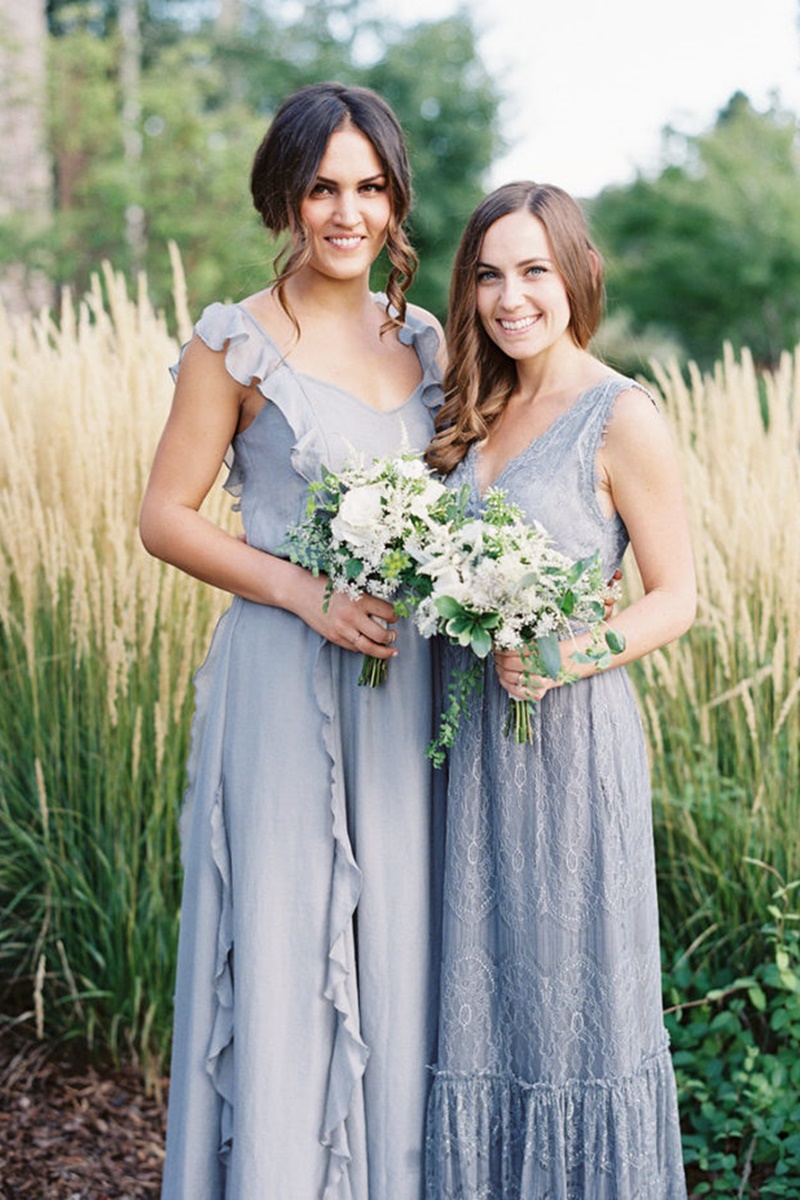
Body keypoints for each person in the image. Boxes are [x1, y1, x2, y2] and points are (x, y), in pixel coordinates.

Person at [139, 82, 446, 1200]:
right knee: (281, 949)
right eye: (322, 188)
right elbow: (163, 517)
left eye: (368, 188)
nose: (346, 213)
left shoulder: (426, 337)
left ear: (396, 200)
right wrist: (303, 594)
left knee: (399, 949)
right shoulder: (233, 343)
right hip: (281, 688)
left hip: (407, 691)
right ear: (285, 196)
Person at [423, 181, 696, 1198]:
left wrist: (559, 659)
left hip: (570, 747)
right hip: (464, 749)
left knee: (569, 1003)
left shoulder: (619, 414)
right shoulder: (473, 402)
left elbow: (676, 598)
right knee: (478, 1001)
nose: (508, 296)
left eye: (532, 270)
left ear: (575, 275)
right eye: (488, 274)